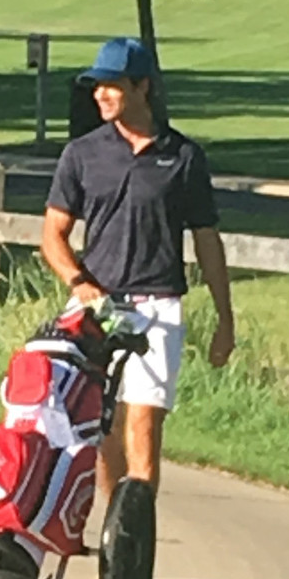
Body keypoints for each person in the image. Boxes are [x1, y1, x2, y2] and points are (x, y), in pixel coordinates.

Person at [40, 37, 235, 500]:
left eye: (111, 85)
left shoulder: (183, 157)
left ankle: (135, 539)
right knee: (103, 427)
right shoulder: (82, 154)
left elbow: (207, 240)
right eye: (96, 86)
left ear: (142, 87)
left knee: (143, 423)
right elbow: (52, 235)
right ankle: (115, 531)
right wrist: (79, 283)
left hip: (158, 308)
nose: (100, 94)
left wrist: (225, 319)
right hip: (96, 305)